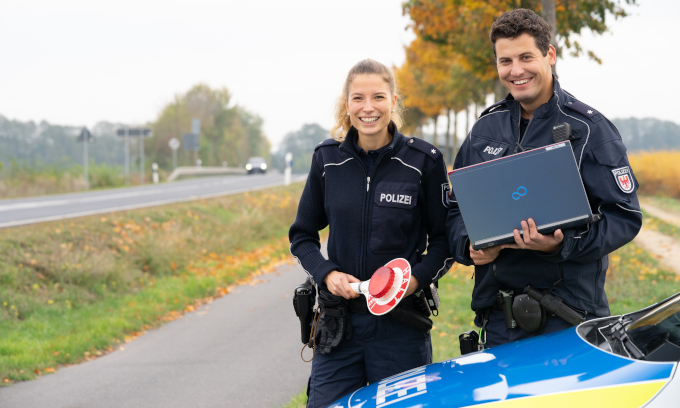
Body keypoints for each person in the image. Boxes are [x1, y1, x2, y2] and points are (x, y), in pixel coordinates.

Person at [446, 9, 642, 348]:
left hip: (567, 321)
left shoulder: (590, 130)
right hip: (497, 323)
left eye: (526, 57)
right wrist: (468, 246)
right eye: (505, 61)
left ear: (549, 55)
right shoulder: (483, 130)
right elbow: (453, 207)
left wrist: (562, 244)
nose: (516, 70)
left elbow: (624, 217)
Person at [289, 59, 453, 407]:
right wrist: (326, 273)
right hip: (338, 328)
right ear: (346, 105)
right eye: (358, 98)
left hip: (401, 329)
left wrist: (416, 280)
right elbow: (302, 235)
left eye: (378, 97)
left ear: (393, 101)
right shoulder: (327, 160)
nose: (368, 108)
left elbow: (444, 241)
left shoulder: (424, 161)